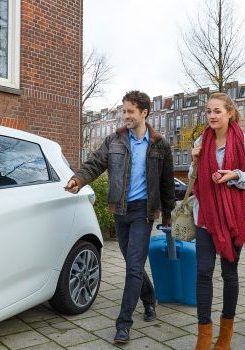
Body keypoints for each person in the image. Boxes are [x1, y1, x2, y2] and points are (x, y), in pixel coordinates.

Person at [65, 90, 175, 344]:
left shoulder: (160, 145)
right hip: (120, 211)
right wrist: (78, 180)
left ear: (144, 113)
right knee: (132, 265)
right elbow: (95, 163)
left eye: (130, 111)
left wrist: (167, 215)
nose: (125, 116)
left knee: (134, 267)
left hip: (143, 213)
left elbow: (167, 183)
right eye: (123, 111)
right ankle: (149, 299)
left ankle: (123, 324)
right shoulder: (115, 141)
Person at [190, 92, 245, 350]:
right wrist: (195, 160)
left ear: (229, 113)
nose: (212, 115)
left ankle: (225, 336)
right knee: (202, 273)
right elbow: (195, 178)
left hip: (233, 218)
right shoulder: (202, 139)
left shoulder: (243, 141)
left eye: (217, 111)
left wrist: (235, 175)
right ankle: (203, 336)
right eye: (209, 111)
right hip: (205, 217)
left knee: (229, 274)